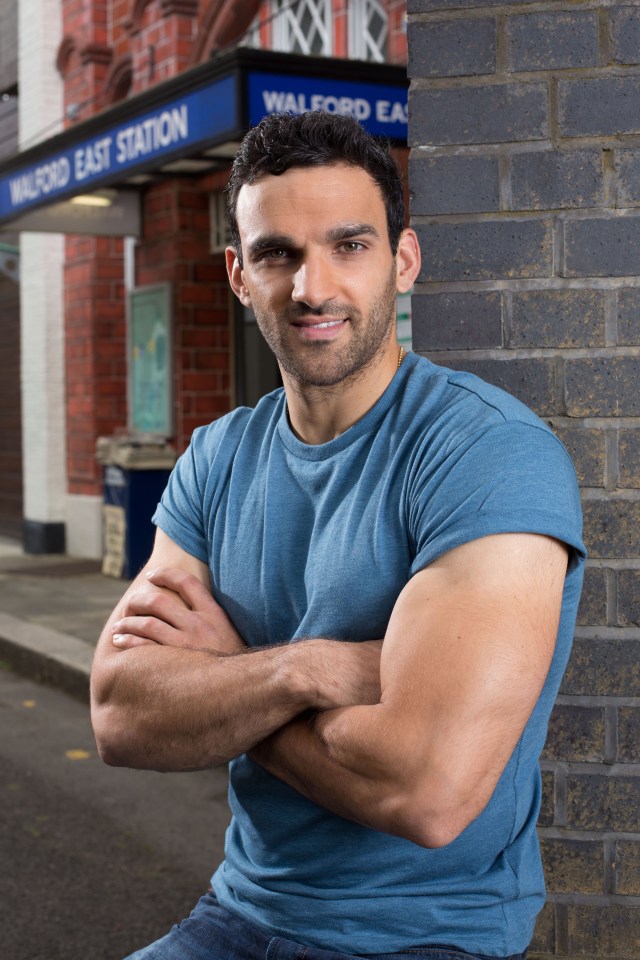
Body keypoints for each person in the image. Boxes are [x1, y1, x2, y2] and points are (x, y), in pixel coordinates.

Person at [90, 111, 586, 960]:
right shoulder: (217, 457)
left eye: (349, 246)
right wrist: (305, 667)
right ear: (240, 276)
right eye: (278, 253)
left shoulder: (487, 455)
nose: (312, 286)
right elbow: (120, 714)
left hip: (428, 936)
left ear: (404, 260)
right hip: (239, 912)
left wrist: (227, 675)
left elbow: (427, 793)